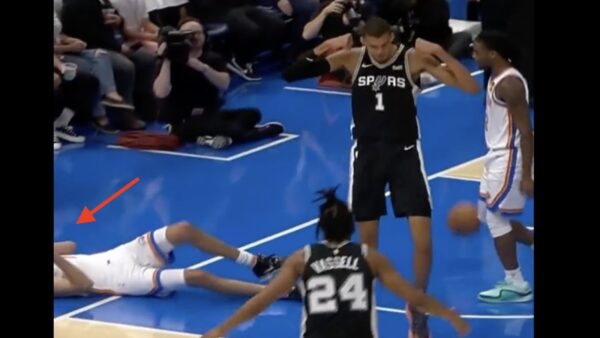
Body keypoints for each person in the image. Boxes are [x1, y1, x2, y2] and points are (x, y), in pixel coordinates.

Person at [283, 16, 479, 338]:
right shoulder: (352, 58)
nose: (381, 51)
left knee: (423, 242)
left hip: (404, 156)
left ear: (393, 38)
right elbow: (292, 73)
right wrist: (322, 47)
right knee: (368, 245)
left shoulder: (411, 59)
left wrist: (441, 54)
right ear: (365, 42)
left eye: (385, 44)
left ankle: (417, 307)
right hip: (367, 158)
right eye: (374, 46)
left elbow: (469, 87)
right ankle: (363, 306)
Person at [202, 188, 470, 338]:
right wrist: (448, 314)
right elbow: (413, 296)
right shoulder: (370, 257)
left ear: (321, 227)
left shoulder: (301, 259)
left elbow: (261, 301)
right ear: (350, 227)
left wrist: (220, 330)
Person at [54, 220, 291, 298]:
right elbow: (82, 285)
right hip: (124, 279)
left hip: (118, 255)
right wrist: (57, 259)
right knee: (198, 276)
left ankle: (255, 262)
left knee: (183, 229)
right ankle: (281, 292)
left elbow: (71, 245)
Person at [154, 17, 284, 149]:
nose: (193, 37)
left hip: (209, 113)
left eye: (198, 33)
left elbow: (224, 84)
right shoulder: (170, 62)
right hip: (183, 118)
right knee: (230, 129)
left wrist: (202, 67)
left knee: (253, 114)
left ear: (205, 35)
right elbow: (160, 92)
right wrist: (166, 59)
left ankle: (218, 136)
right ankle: (258, 133)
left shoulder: (212, 57)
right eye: (188, 34)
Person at [471, 31, 534, 303]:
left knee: (497, 220)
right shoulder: (497, 77)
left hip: (509, 158)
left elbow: (527, 131)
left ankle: (516, 283)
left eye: (477, 50)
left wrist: (527, 175)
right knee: (489, 216)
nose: (473, 55)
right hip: (495, 157)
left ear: (493, 53)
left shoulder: (510, 85)